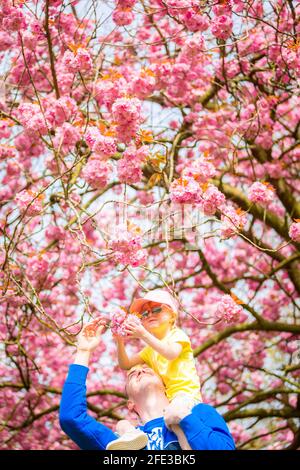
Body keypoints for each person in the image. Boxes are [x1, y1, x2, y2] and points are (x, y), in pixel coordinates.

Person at [59, 317, 235, 451]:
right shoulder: (121, 444)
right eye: (132, 373)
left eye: (147, 369)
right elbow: (71, 418)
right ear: (130, 404)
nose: (140, 369)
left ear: (165, 386)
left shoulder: (199, 412)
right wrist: (83, 351)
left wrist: (184, 418)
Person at [111, 289, 202, 450]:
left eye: (157, 309)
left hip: (185, 394)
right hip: (169, 400)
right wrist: (120, 342)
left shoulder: (177, 335)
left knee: (175, 419)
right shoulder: (149, 350)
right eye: (144, 314)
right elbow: (125, 364)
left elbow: (171, 353)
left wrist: (144, 335)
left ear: (172, 316)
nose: (149, 314)